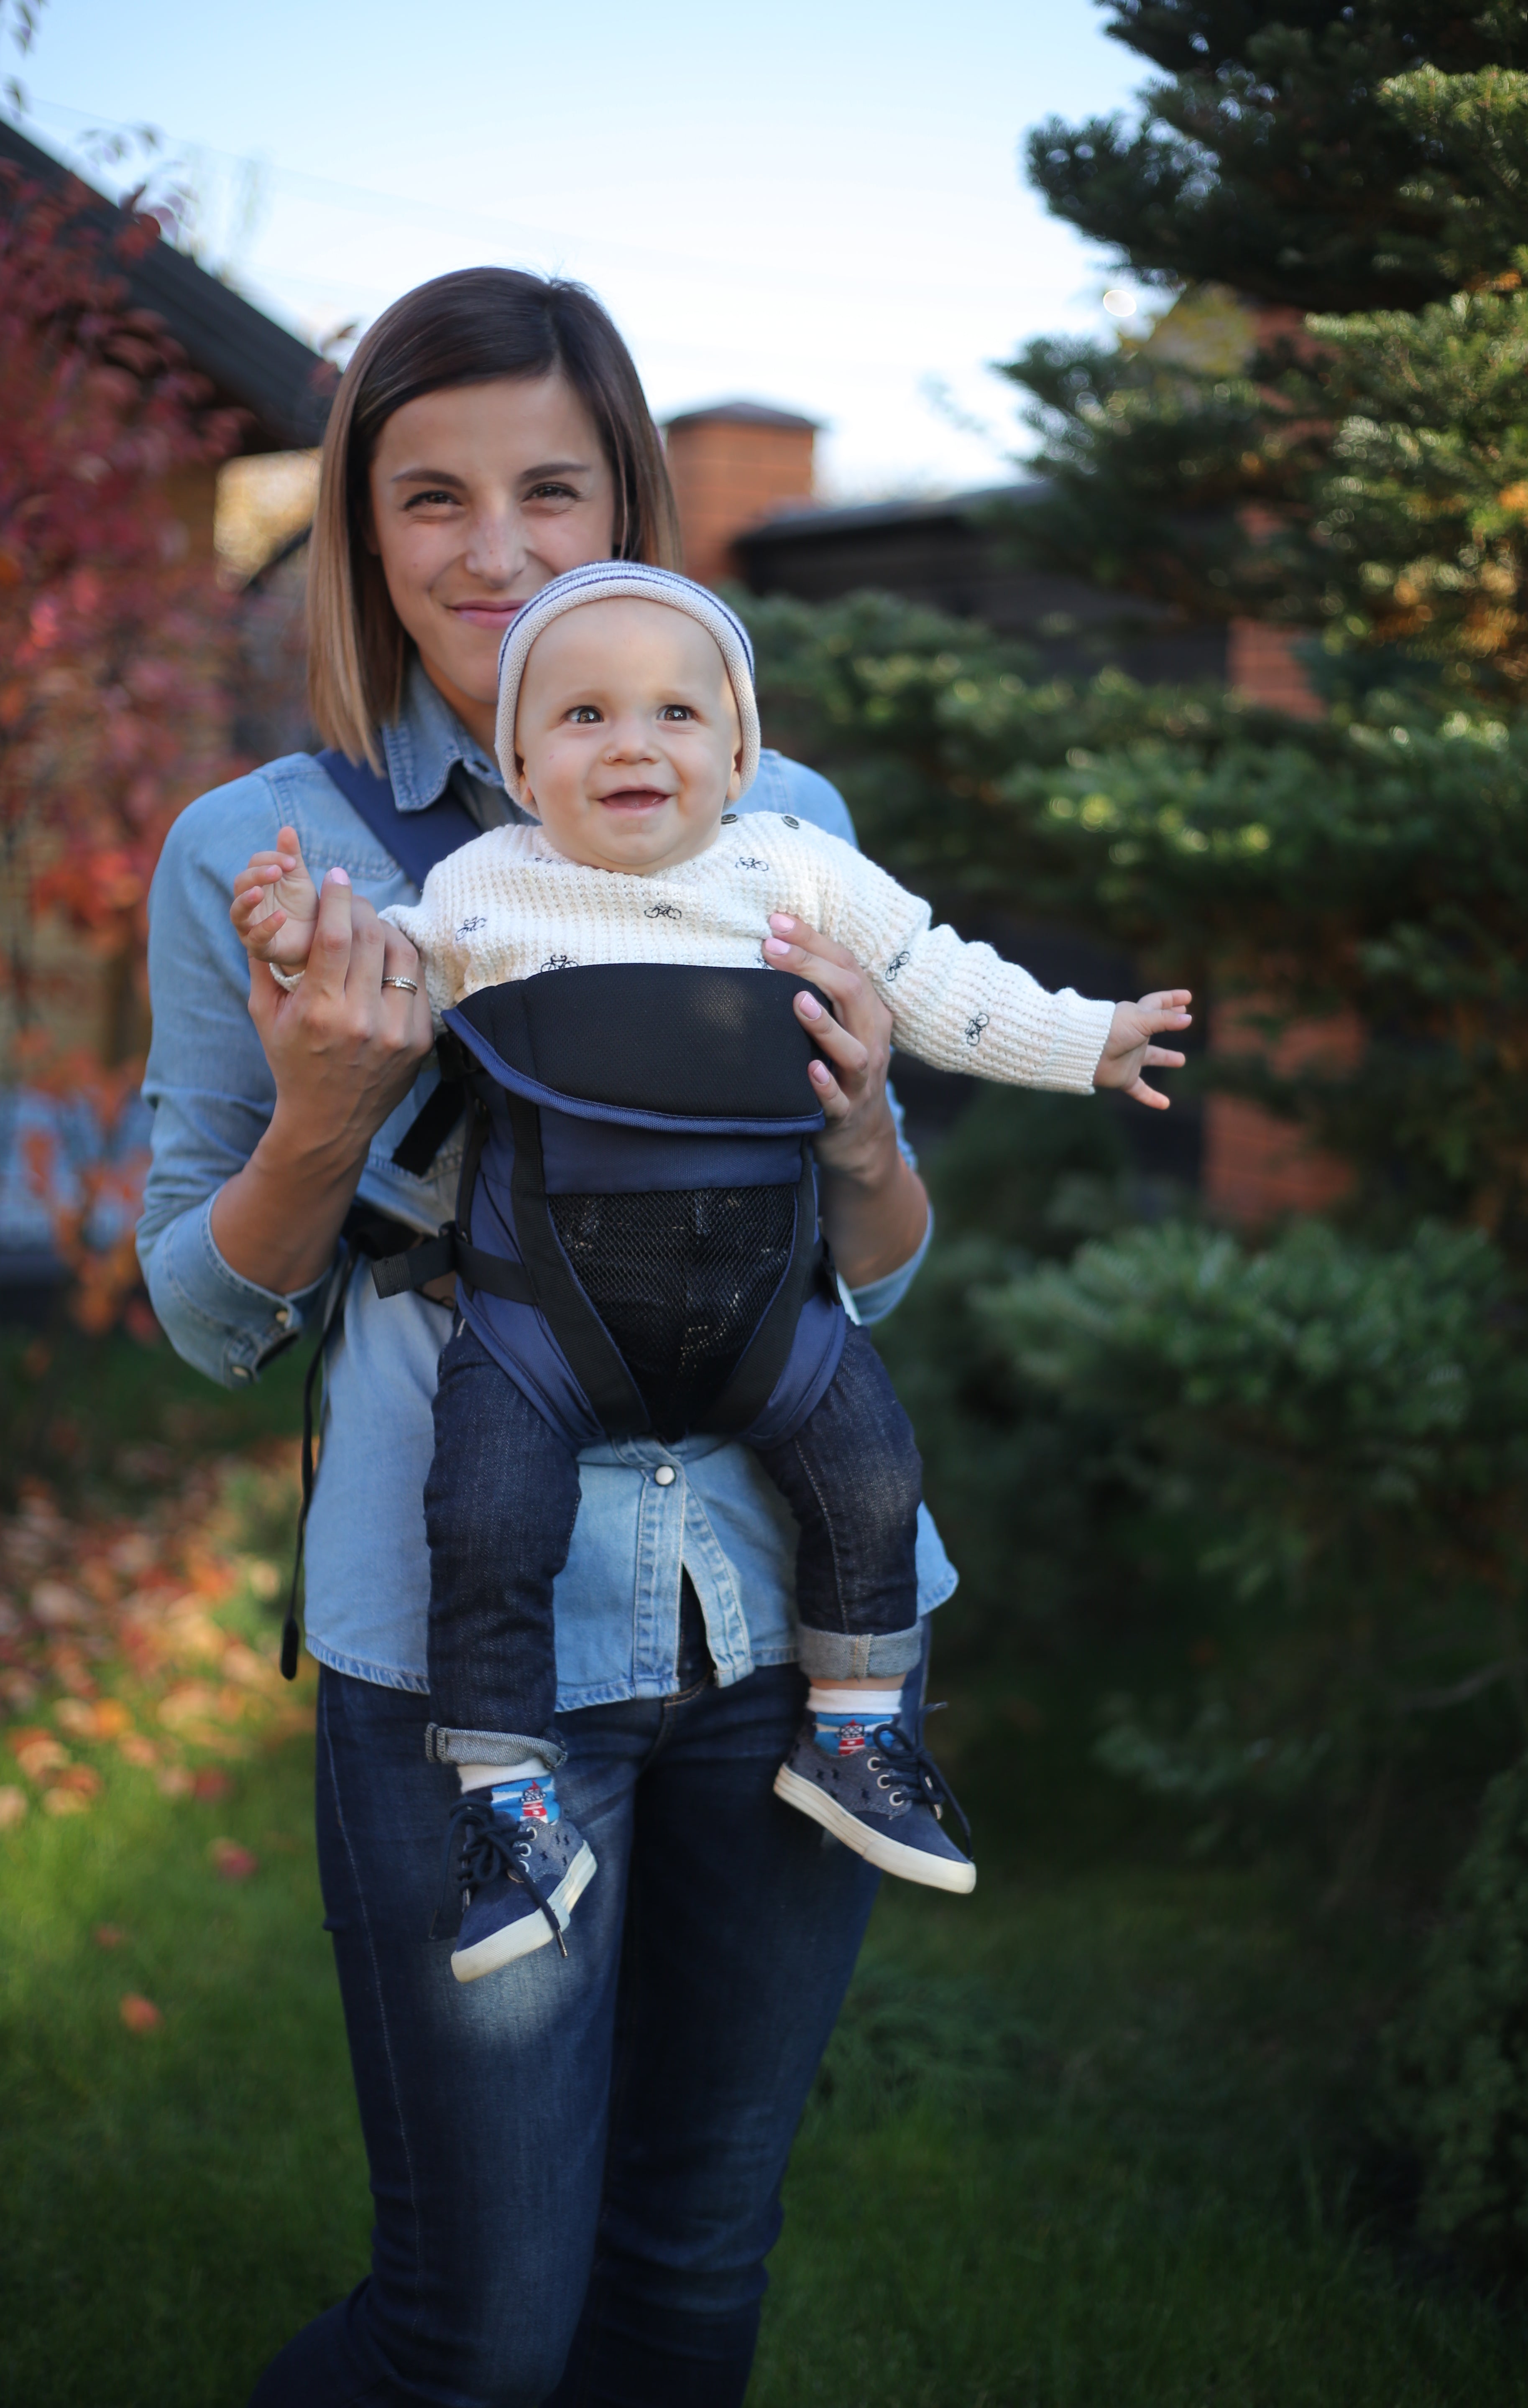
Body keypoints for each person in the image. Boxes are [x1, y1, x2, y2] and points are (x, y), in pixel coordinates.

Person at [136, 264, 1183, 2407]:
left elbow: (869, 1269)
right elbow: (204, 1314)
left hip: (793, 1644)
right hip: (467, 1652)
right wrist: (330, 1107)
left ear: (626, 497)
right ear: (358, 527)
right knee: (479, 2335)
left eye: (549, 485)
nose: (495, 549)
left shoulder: (770, 815)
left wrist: (879, 1128)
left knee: (698, 2269)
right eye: (429, 497)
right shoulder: (269, 853)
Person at [230, 561, 1190, 1984]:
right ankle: (508, 1803)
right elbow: (380, 982)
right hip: (541, 1325)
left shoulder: (790, 871)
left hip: (768, 1316)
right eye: (584, 715)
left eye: (679, 712)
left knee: (869, 1469)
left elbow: (931, 974)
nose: (632, 743)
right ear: (516, 759)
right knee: (484, 1513)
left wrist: (1082, 1038)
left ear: (741, 755)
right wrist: (302, 936)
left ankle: (858, 1731)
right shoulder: (487, 890)